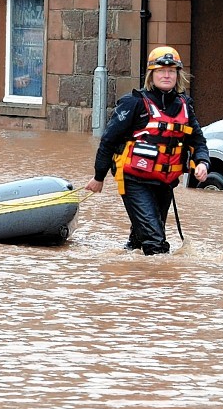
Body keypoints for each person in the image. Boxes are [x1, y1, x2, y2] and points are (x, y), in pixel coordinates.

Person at [84, 46, 210, 255]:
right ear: (152, 75)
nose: (166, 75)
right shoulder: (134, 103)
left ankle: (132, 272)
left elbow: (198, 141)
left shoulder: (185, 105)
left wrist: (203, 163)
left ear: (178, 75)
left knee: (141, 240)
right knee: (156, 243)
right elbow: (108, 140)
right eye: (161, 70)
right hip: (134, 180)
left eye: (171, 71)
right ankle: (161, 283)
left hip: (164, 182)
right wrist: (99, 176)